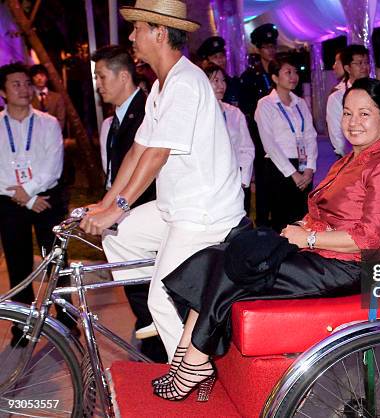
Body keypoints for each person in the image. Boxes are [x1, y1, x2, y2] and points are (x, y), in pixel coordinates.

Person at [151, 77, 380, 402]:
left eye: (364, 114)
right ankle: (188, 358)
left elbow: (368, 239)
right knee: (217, 254)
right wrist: (299, 228)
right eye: (347, 113)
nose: (353, 122)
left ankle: (195, 360)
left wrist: (309, 238)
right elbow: (324, 213)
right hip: (317, 253)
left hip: (344, 268)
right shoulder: (347, 161)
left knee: (236, 267)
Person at [79, 0, 246, 360]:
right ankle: (179, 306)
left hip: (205, 212)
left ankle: (189, 371)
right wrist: (107, 204)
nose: (131, 35)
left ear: (159, 32)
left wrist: (119, 206)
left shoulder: (186, 82)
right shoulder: (160, 86)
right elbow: (138, 149)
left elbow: (158, 155)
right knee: (120, 235)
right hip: (177, 207)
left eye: (136, 28)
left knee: (161, 295)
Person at [92, 45, 165, 362]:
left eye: (102, 76)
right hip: (122, 211)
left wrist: (116, 208)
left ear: (123, 76)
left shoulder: (146, 110)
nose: (98, 84)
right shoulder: (113, 122)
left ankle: (159, 344)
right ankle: (151, 333)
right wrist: (103, 205)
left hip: (146, 211)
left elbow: (147, 165)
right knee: (138, 287)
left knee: (150, 286)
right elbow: (117, 171)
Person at [0, 62, 76, 346]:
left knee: (56, 260)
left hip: (47, 200)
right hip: (9, 202)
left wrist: (29, 194)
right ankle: (23, 327)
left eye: (26, 83)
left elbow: (52, 166)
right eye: (15, 84)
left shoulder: (47, 122)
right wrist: (24, 197)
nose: (24, 89)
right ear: (3, 92)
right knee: (18, 264)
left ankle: (67, 321)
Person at [254, 56, 318, 231]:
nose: (293, 76)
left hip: (303, 166)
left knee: (303, 219)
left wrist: (309, 168)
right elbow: (269, 144)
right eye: (287, 72)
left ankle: (302, 256)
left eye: (295, 72)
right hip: (279, 168)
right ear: (275, 78)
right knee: (282, 221)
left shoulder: (301, 103)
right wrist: (293, 174)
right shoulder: (265, 105)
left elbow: (310, 136)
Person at [239, 23, 279, 227]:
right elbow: (246, 109)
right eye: (266, 47)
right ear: (258, 48)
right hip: (258, 135)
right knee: (262, 177)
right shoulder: (250, 77)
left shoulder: (281, 71)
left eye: (273, 46)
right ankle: (263, 222)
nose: (270, 50)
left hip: (279, 134)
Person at [203, 63, 255, 213]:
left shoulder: (234, 113)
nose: (221, 85)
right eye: (215, 80)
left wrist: (243, 180)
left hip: (235, 181)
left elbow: (246, 148)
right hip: (210, 185)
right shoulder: (197, 114)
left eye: (223, 80)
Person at [326, 44, 370, 157]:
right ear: (347, 68)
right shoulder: (337, 97)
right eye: (359, 63)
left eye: (366, 62)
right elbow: (337, 135)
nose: (364, 67)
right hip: (350, 156)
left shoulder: (376, 91)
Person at [196, 36, 239, 106]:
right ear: (205, 62)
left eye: (222, 56)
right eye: (215, 57)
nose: (220, 60)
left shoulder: (234, 83)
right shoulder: (201, 86)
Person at [29, 64, 66, 131]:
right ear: (32, 78)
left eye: (42, 75)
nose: (39, 79)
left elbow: (61, 120)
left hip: (53, 134)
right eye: (36, 76)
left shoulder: (57, 98)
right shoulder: (28, 97)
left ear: (47, 77)